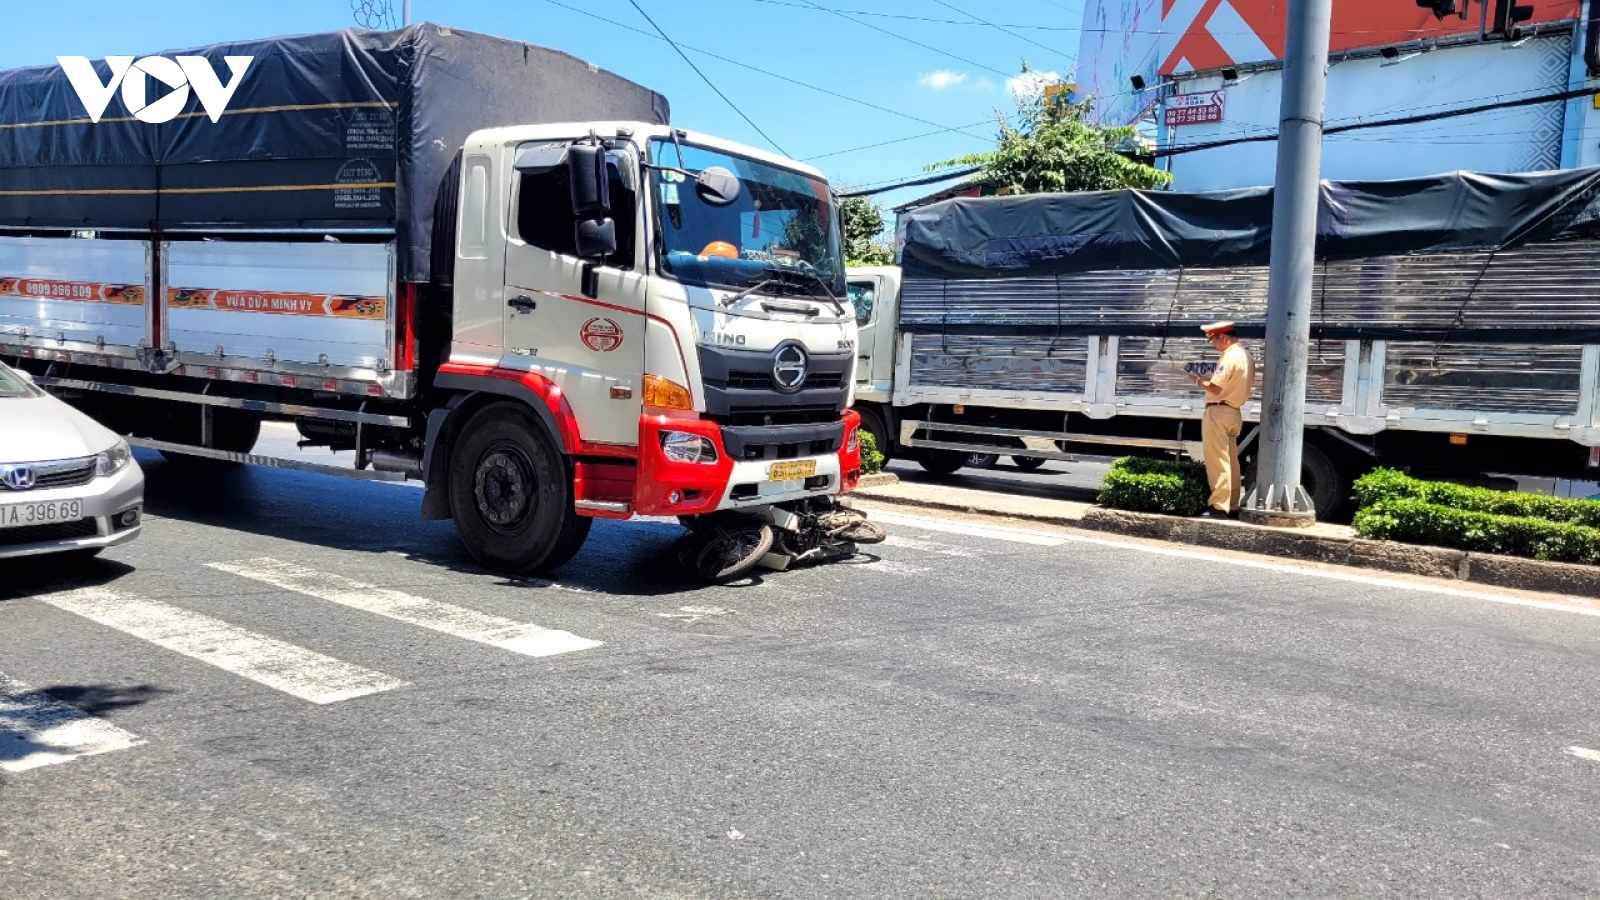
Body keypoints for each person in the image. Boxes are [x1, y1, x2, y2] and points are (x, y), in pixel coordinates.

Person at [1187, 320, 1255, 518]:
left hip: (1218, 411)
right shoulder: (1245, 355)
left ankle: (1219, 505)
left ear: (1223, 338)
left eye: (1213, 342)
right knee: (1231, 461)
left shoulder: (1230, 356)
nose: (1214, 346)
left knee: (1217, 460)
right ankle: (1232, 504)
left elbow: (1216, 387)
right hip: (1234, 412)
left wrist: (1198, 380)